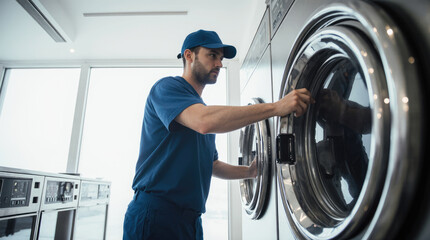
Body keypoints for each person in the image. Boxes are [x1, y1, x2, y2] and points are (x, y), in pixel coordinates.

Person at [123, 29, 313, 240]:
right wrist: (277, 107)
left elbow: (212, 165)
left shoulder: (198, 110)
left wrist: (249, 172)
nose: (220, 64)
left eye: (221, 58)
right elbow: (205, 121)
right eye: (212, 56)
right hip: (156, 215)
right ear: (189, 55)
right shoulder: (168, 88)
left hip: (190, 221)